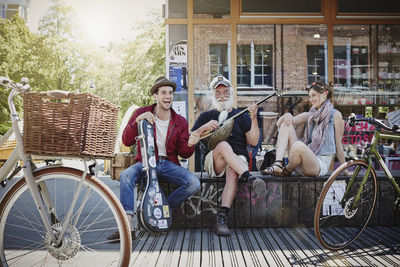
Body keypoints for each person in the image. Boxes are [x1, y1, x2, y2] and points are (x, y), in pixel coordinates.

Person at [108, 76, 201, 241]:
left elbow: (184, 153)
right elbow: (126, 140)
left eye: (170, 93)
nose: (168, 96)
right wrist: (137, 121)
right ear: (155, 96)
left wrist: (191, 144)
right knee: (126, 176)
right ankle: (127, 227)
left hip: (168, 164)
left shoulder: (180, 121)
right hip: (144, 162)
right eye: (163, 92)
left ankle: (162, 209)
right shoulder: (141, 113)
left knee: (194, 183)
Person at [190, 75, 267, 236]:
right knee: (224, 146)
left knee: (233, 170)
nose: (222, 95)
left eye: (225, 91)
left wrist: (253, 118)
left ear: (231, 93)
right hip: (215, 160)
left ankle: (222, 217)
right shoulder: (206, 116)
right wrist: (203, 127)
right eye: (218, 92)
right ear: (213, 95)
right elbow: (190, 140)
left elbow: (253, 141)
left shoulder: (242, 114)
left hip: (238, 161)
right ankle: (249, 177)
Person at [262, 81, 346, 177]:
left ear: (324, 94)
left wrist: (345, 170)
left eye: (314, 95)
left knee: (298, 145)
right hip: (300, 162)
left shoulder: (335, 115)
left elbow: (339, 145)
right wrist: (287, 115)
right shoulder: (309, 115)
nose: (311, 100)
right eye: (310, 96)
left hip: (318, 166)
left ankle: (288, 168)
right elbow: (279, 123)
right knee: (287, 125)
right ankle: (278, 163)